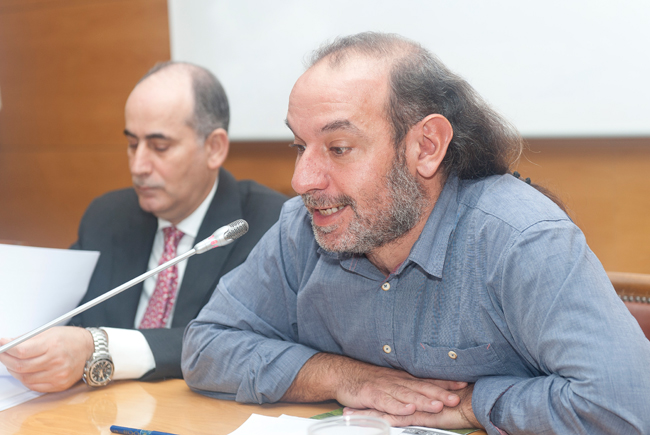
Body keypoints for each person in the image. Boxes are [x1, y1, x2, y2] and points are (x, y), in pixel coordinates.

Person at [181, 33, 650, 435]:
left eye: (338, 148)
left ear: (426, 147)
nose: (303, 180)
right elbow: (205, 346)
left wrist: (468, 404)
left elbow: (627, 406)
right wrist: (346, 378)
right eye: (301, 146)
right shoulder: (302, 229)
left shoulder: (521, 238)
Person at [0, 62, 287, 392]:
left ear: (214, 148)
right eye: (133, 144)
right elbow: (61, 315)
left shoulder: (265, 225)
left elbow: (239, 342)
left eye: (159, 147)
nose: (138, 166)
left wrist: (98, 345)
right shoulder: (108, 216)